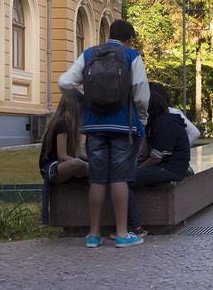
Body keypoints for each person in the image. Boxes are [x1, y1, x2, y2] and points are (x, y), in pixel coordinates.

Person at [58, 19, 150, 248]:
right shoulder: (131, 55)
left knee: (97, 179)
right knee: (119, 178)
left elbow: (64, 82)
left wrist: (83, 102)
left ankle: (93, 234)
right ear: (129, 39)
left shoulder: (90, 54)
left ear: (109, 34)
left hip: (94, 127)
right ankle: (121, 233)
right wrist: (142, 117)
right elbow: (141, 92)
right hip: (122, 126)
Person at [124, 89, 192, 235]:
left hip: (170, 169)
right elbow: (150, 153)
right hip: (170, 167)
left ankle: (135, 227)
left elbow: (155, 157)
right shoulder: (159, 122)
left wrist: (137, 170)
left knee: (123, 180)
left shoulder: (164, 124)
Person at [38, 92, 88, 224]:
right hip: (52, 168)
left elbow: (75, 153)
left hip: (60, 166)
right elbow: (62, 155)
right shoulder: (63, 124)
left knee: (83, 161)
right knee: (78, 164)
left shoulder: (69, 124)